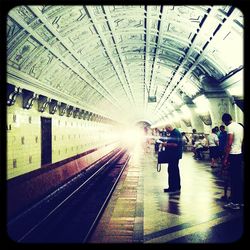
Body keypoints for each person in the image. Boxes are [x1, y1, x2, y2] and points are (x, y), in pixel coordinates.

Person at [222, 113, 244, 210]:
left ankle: (234, 203)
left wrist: (226, 158)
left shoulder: (230, 127)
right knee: (239, 179)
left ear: (225, 121)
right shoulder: (240, 126)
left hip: (233, 155)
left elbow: (229, 142)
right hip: (239, 154)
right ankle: (240, 201)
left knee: (233, 178)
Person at [162, 124, 183, 193]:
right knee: (174, 170)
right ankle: (175, 187)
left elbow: (175, 144)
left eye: (166, 129)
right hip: (174, 155)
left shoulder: (175, 133)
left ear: (169, 128)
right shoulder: (175, 132)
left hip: (174, 155)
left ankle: (173, 188)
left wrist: (166, 144)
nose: (166, 131)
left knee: (172, 171)